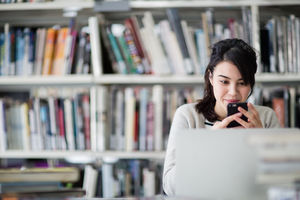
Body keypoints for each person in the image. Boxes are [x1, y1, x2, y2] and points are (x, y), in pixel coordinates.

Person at [162, 38, 280, 196]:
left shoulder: (265, 117)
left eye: (242, 83)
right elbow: (170, 187)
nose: (233, 92)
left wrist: (261, 144)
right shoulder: (188, 116)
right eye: (224, 81)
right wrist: (209, 146)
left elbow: (280, 187)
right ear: (211, 78)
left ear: (251, 83)